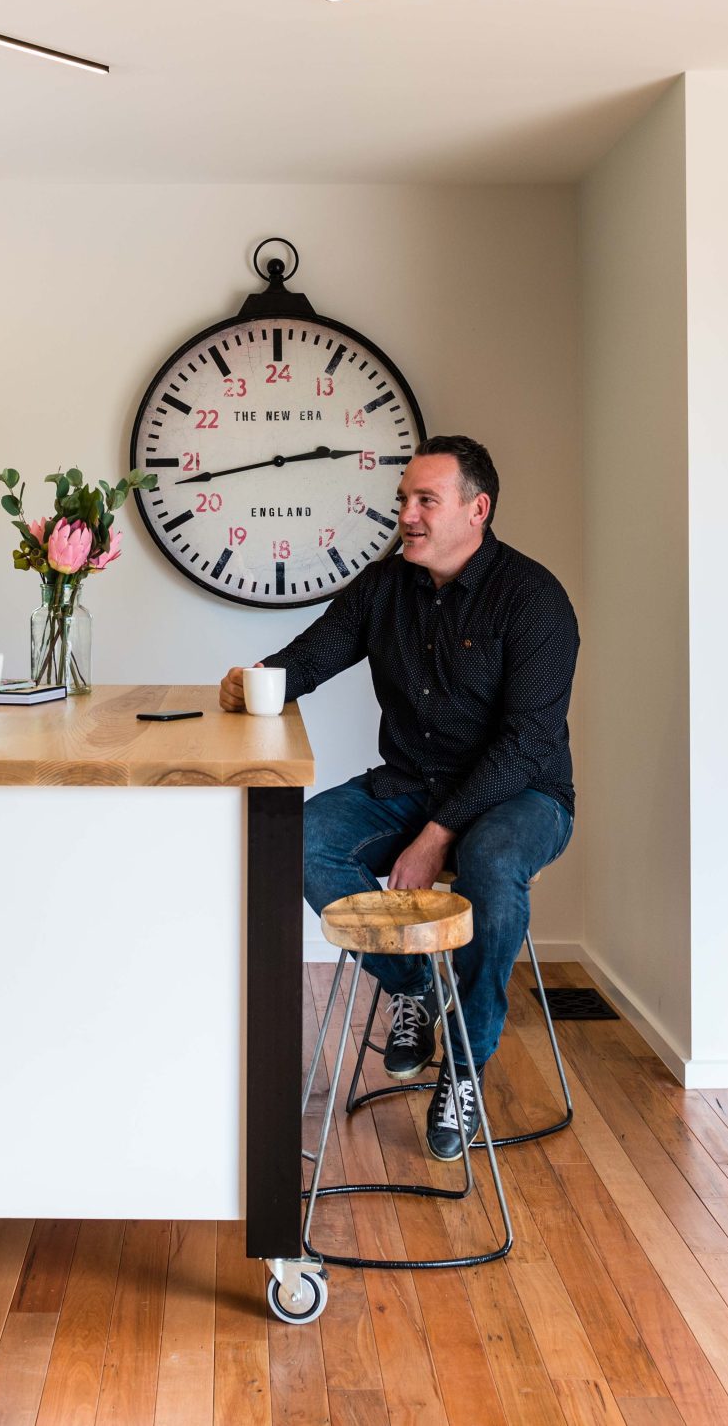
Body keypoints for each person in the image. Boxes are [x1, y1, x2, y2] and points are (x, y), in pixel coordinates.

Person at [220, 434, 577, 1162]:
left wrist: (436, 834)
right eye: (403, 500)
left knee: (489, 863)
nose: (406, 515)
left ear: (477, 510)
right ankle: (416, 987)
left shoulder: (534, 599)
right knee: (300, 838)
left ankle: (467, 1065)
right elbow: (312, 657)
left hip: (524, 794)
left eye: (425, 500)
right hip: (409, 783)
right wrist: (256, 678)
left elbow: (525, 744)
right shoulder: (384, 588)